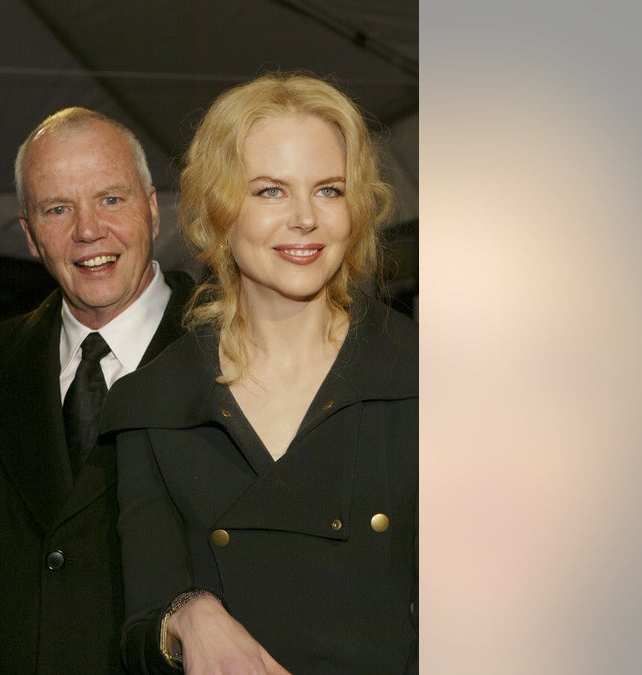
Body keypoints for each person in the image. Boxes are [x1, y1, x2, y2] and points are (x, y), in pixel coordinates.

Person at [102, 74, 418, 673]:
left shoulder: (425, 380)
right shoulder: (154, 401)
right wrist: (186, 614)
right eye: (271, 191)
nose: (305, 218)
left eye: (328, 189)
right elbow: (136, 634)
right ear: (220, 211)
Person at [0, 107, 195, 673]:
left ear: (153, 209)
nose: (88, 230)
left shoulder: (238, 359)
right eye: (58, 209)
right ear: (31, 235)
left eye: (111, 199)